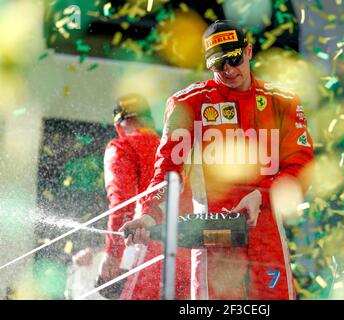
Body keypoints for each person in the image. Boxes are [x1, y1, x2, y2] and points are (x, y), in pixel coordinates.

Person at [121, 20, 314, 300]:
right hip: (214, 235)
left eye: (234, 59)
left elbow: (301, 167)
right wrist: (148, 214)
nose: (229, 71)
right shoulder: (188, 103)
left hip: (268, 232)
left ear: (248, 51)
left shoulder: (283, 101)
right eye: (218, 65)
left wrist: (261, 196)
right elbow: (167, 171)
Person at [97, 94, 165, 291]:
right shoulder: (172, 149)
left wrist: (112, 254)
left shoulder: (122, 147)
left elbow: (122, 203)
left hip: (146, 249)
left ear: (119, 126)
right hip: (187, 253)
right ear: (150, 120)